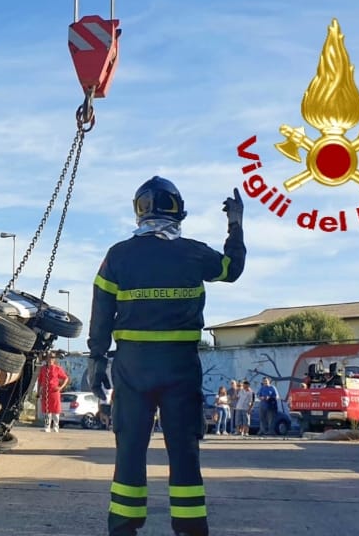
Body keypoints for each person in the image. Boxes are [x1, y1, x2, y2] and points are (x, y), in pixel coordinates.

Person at [87, 177, 245, 536]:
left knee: (129, 449)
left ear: (139, 211)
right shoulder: (194, 253)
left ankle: (123, 527)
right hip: (180, 366)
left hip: (132, 367)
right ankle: (190, 527)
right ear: (178, 211)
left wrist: (96, 358)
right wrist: (235, 226)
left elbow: (101, 311)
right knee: (184, 450)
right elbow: (231, 270)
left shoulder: (118, 255)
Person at [38, 351, 70, 432]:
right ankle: (47, 426)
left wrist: (60, 387)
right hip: (46, 392)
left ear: (54, 359)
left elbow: (65, 378)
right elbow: (40, 381)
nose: (50, 359)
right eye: (49, 357)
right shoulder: (43, 369)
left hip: (54, 392)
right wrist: (39, 391)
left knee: (55, 410)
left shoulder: (57, 368)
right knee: (46, 411)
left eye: (52, 357)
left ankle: (56, 426)